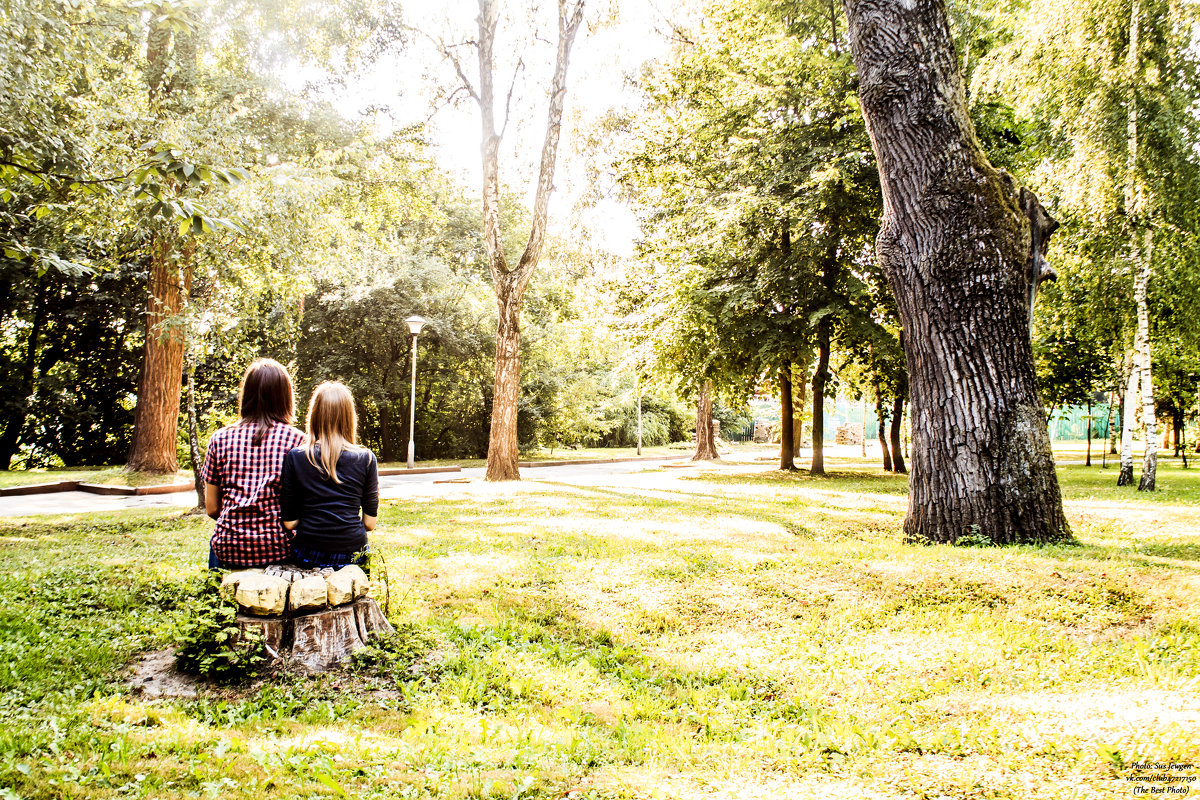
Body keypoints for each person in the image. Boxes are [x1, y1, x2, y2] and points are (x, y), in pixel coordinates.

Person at [201, 358, 305, 569]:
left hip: (228, 548)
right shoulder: (298, 441)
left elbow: (212, 508)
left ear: (246, 394)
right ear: (285, 397)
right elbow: (304, 506)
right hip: (278, 548)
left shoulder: (219, 439)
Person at [279, 381, 379, 570]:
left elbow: (289, 523)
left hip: (308, 551)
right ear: (349, 417)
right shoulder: (366, 459)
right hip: (352, 554)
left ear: (314, 415)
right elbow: (370, 523)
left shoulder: (296, 457)